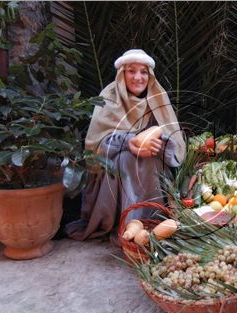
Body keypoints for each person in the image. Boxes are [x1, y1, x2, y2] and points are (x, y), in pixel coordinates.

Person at [66, 49, 186, 245]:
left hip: (151, 161)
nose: (138, 77)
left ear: (150, 75)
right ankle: (127, 224)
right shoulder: (109, 97)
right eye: (131, 71)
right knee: (126, 160)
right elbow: (97, 144)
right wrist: (129, 142)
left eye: (143, 72)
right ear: (122, 74)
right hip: (114, 164)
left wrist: (158, 143)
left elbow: (173, 139)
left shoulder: (157, 98)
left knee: (152, 158)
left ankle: (152, 223)